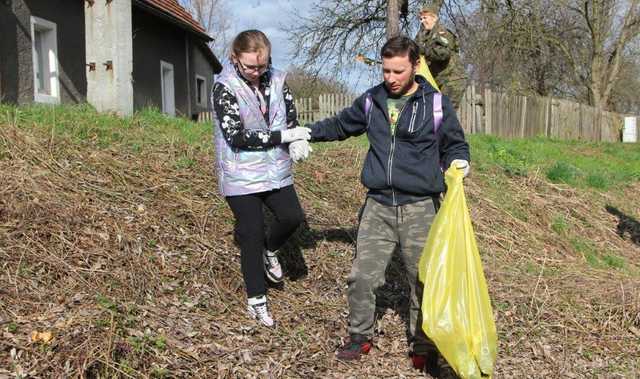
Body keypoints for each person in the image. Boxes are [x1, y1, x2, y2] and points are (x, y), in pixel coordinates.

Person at [307, 36, 470, 377]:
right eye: (386, 71)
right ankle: (358, 336)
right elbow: (339, 125)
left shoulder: (436, 104)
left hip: (421, 208)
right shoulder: (372, 101)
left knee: (424, 281)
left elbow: (456, 144)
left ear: (415, 66)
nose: (391, 78)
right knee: (362, 278)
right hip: (378, 205)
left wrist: (459, 162)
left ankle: (424, 345)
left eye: (398, 71)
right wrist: (304, 133)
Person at [211, 29, 312, 327]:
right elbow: (237, 136)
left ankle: (272, 251)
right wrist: (284, 135)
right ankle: (257, 301)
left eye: (262, 65)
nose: (257, 72)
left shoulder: (279, 80)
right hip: (240, 172)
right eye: (250, 67)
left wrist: (296, 141)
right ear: (235, 59)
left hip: (275, 168)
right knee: (251, 233)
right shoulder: (224, 87)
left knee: (292, 217)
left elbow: (290, 118)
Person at [414, 3, 466, 109]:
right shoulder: (423, 36)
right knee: (435, 114)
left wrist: (423, 50)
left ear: (434, 18)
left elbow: (443, 54)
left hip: (452, 80)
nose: (423, 21)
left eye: (425, 17)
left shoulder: (442, 33)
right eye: (421, 19)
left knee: (444, 114)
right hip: (437, 81)